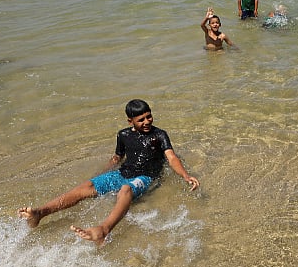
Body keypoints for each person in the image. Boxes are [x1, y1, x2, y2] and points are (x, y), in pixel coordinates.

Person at [18, 99, 200, 246]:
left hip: (144, 177)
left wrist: (185, 175)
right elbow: (117, 158)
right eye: (141, 119)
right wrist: (100, 175)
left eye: (149, 117)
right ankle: (41, 212)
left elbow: (172, 157)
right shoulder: (123, 135)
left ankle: (103, 230)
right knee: (86, 186)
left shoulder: (159, 135)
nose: (146, 122)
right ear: (130, 121)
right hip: (121, 173)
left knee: (125, 190)